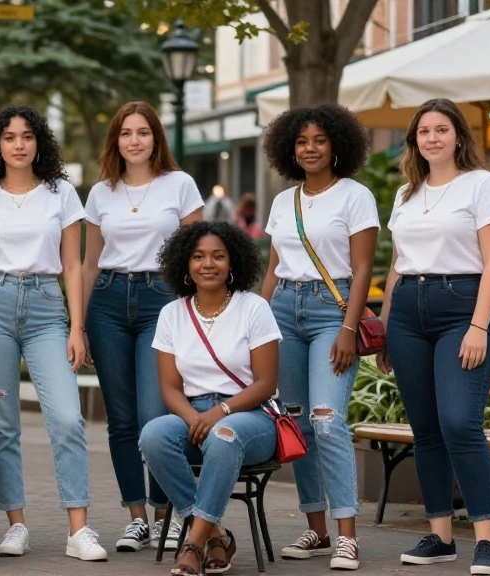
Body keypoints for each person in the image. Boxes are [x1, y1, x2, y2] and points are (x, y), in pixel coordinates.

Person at [0, 105, 107, 561]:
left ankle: (78, 529)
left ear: (39, 142)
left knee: (66, 417)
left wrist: (77, 327)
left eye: (26, 135)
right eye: (9, 137)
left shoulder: (61, 193)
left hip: (46, 309)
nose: (18, 144)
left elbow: (72, 266)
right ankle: (15, 523)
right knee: (1, 425)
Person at [377, 98, 490, 576]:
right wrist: (387, 325)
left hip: (462, 307)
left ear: (458, 136)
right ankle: (439, 536)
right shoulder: (406, 193)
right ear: (414, 139)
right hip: (409, 310)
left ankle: (485, 539)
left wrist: (479, 325)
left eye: (441, 129)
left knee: (459, 422)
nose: (432, 138)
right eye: (424, 131)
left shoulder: (482, 185)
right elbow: (396, 262)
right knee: (427, 429)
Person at [260, 103, 378, 570]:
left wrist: (349, 327)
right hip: (284, 310)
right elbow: (272, 269)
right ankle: (316, 530)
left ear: (336, 146)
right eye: (301, 141)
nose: (310, 149)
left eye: (319, 141)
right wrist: (258, 324)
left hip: (333, 310)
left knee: (328, 419)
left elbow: (364, 267)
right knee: (298, 423)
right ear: (290, 149)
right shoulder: (282, 201)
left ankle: (348, 535)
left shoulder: (355, 196)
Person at [82, 100, 204, 552]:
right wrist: (79, 325)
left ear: (156, 138)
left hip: (163, 299)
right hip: (109, 301)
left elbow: (199, 255)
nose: (135, 140)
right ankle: (137, 516)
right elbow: (89, 263)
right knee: (121, 420)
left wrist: (197, 315)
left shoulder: (180, 185)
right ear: (116, 140)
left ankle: (167, 513)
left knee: (156, 415)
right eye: (126, 133)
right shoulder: (101, 192)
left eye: (143, 132)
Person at [139, 221, 280, 576]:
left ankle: (193, 543)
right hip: (194, 414)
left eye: (218, 256)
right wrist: (193, 418)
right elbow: (170, 387)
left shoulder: (253, 308)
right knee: (153, 435)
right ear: (185, 265)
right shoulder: (172, 314)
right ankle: (216, 534)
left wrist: (221, 411)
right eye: (199, 256)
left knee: (224, 435)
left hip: (249, 416)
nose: (208, 264)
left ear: (232, 263)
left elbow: (265, 383)